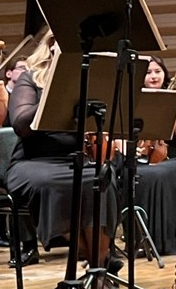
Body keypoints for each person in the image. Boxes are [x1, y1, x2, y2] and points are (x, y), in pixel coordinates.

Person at [6, 30, 119, 271]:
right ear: (51, 45)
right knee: (56, 184)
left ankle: (97, 269)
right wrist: (57, 88)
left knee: (102, 180)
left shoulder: (91, 80)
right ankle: (100, 267)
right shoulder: (31, 77)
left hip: (78, 159)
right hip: (34, 161)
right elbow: (20, 124)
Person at [119, 55, 176, 256]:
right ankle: (136, 241)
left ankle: (161, 241)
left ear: (164, 74)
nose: (153, 76)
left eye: (157, 72)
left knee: (156, 175)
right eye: (148, 72)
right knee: (128, 173)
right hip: (144, 156)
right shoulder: (133, 100)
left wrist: (171, 108)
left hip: (173, 158)